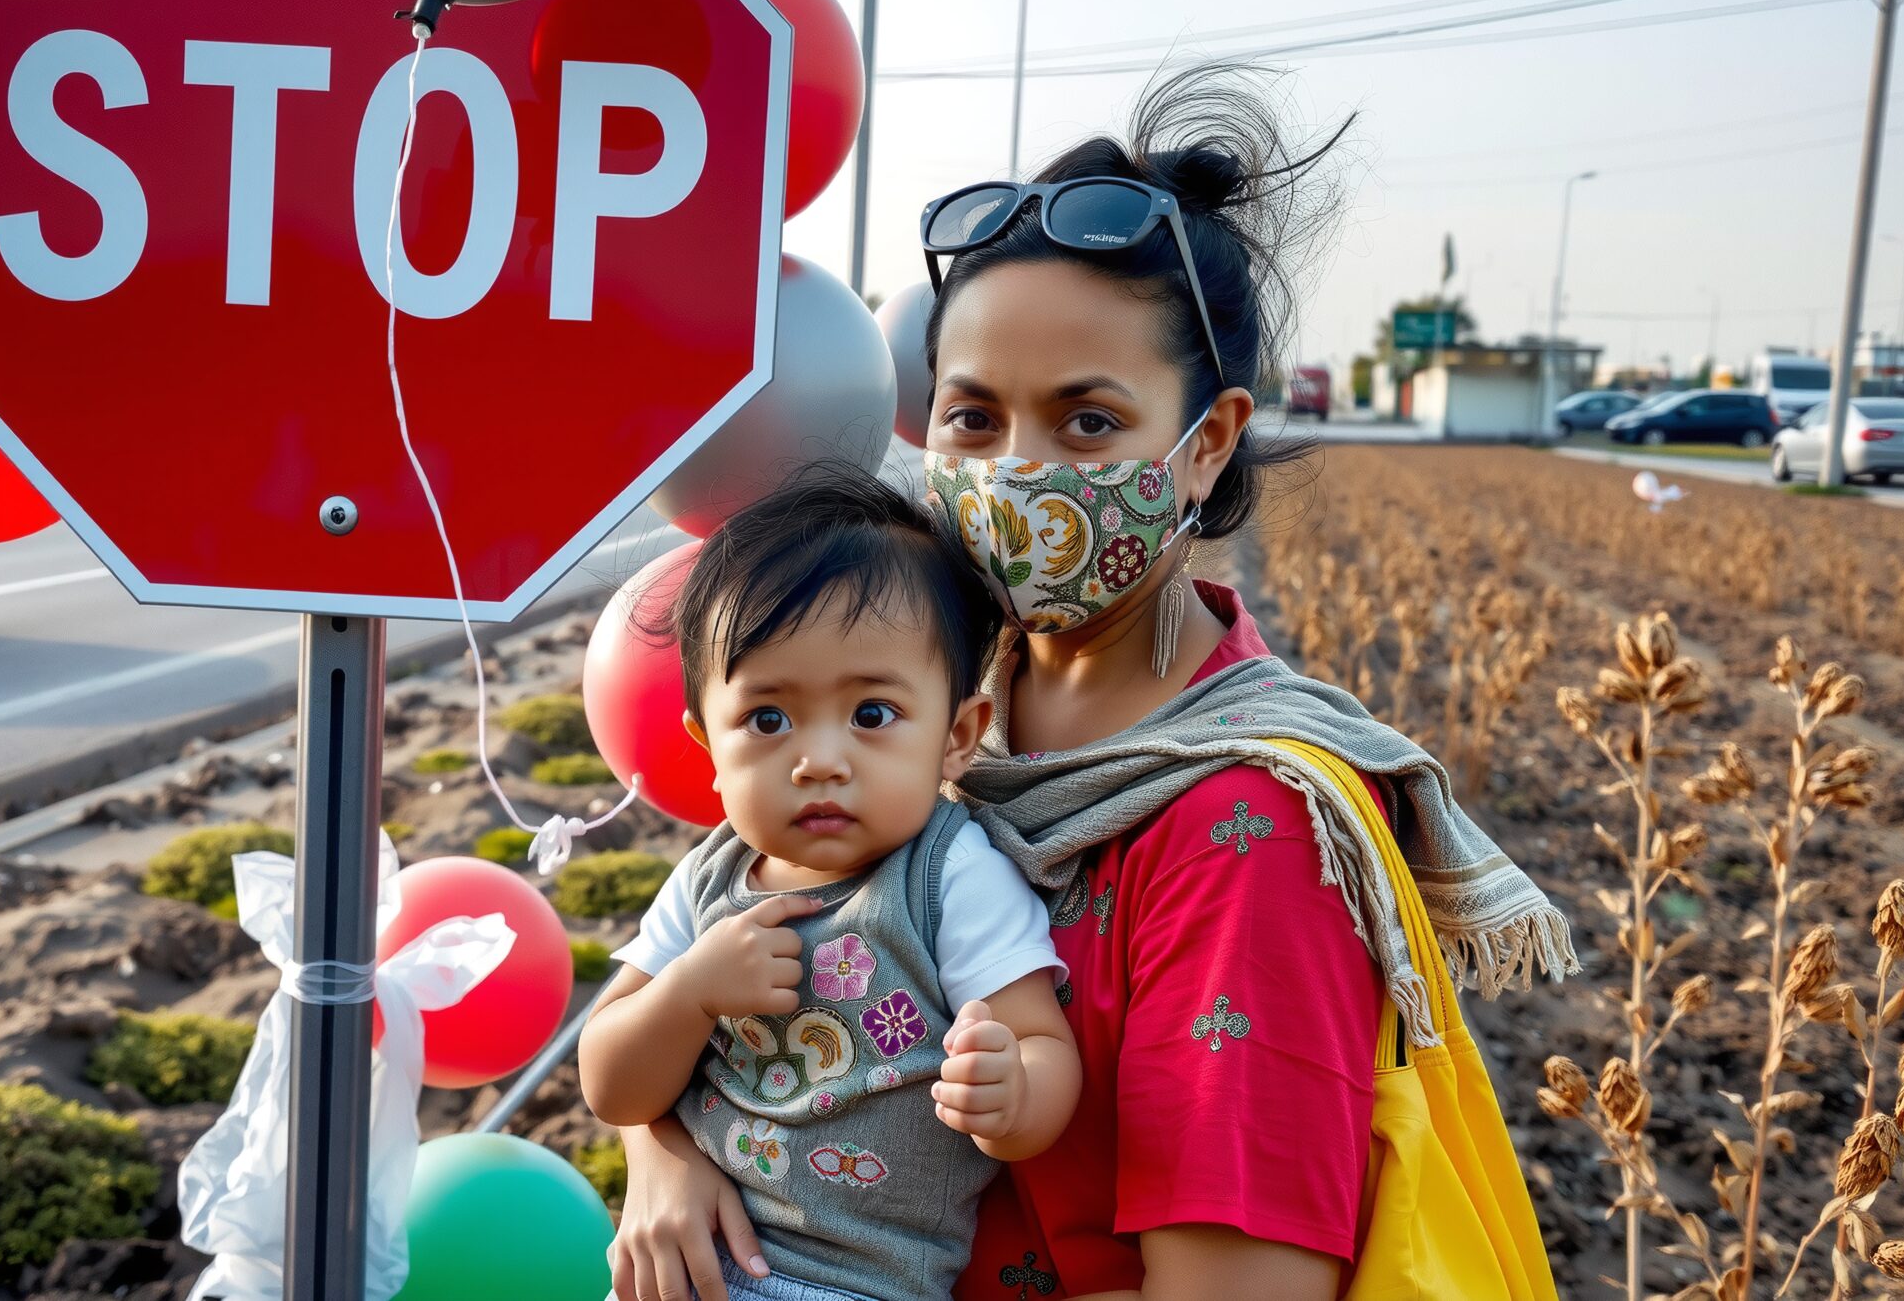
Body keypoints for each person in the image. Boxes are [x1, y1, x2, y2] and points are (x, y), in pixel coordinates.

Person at [605, 63, 1573, 1301]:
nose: (1016, 470)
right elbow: (718, 957)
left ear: (1205, 440)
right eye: (971, 419)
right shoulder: (917, 697)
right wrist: (665, 1149)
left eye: (1086, 421)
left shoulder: (1246, 832)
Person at [582, 466, 1082, 1301]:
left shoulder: (948, 876)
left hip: (860, 1284)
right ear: (708, 750)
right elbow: (608, 1080)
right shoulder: (708, 880)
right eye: (768, 719)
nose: (819, 760)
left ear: (958, 735)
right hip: (693, 1268)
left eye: (872, 714)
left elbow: (1043, 1043)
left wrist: (1014, 1088)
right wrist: (688, 994)